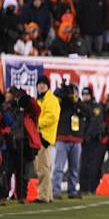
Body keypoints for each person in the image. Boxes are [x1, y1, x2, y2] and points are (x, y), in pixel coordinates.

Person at [53, 83, 88, 199]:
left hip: (76, 140)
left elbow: (88, 112)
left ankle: (72, 191)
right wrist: (65, 93)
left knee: (74, 168)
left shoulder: (78, 105)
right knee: (59, 168)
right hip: (62, 139)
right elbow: (56, 95)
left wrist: (76, 100)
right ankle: (56, 191)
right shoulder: (63, 103)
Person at [34, 75, 60, 203]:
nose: (41, 86)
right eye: (39, 84)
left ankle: (43, 196)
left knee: (42, 168)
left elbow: (52, 117)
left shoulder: (51, 100)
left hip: (44, 138)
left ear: (48, 86)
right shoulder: (41, 100)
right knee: (43, 167)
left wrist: (36, 123)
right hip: (40, 137)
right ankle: (48, 195)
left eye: (43, 83)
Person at [79, 87, 105, 195]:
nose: (85, 97)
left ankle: (92, 188)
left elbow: (96, 122)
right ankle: (83, 188)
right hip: (83, 141)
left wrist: (88, 135)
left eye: (87, 95)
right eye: (83, 95)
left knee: (93, 165)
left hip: (94, 141)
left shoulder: (96, 106)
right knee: (83, 164)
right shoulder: (80, 106)